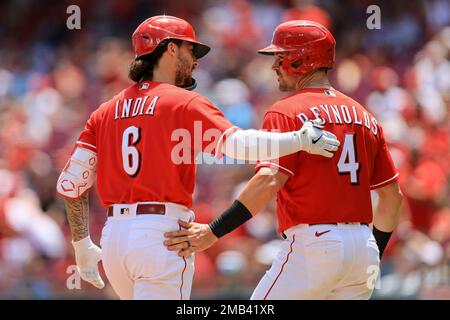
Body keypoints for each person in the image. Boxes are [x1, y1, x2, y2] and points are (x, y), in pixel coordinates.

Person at [55, 16, 340, 300]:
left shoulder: (105, 110)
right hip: (162, 236)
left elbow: (72, 184)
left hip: (114, 237)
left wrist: (81, 245)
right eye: (190, 50)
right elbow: (240, 145)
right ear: (170, 49)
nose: (195, 60)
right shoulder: (183, 101)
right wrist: (299, 140)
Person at [164, 20, 403, 300]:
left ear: (302, 59)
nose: (274, 66)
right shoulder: (365, 116)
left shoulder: (286, 111)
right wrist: (371, 250)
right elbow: (392, 197)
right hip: (363, 248)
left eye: (280, 57)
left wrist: (213, 231)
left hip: (315, 246)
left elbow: (269, 179)